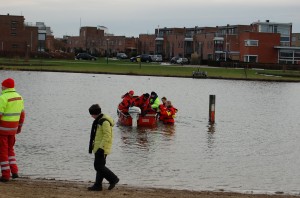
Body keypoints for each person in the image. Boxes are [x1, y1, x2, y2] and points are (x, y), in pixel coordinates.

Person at [88, 104, 119, 191]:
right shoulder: (99, 120)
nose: (91, 116)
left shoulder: (104, 122)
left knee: (98, 166)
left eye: (91, 114)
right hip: (98, 147)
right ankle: (98, 185)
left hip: (102, 148)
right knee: (100, 166)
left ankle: (113, 179)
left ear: (95, 114)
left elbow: (107, 136)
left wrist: (101, 148)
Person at [0, 78, 25, 182]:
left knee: (2, 152)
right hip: (13, 129)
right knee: (10, 150)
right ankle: (14, 172)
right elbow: (22, 114)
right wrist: (19, 127)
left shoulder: (3, 97)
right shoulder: (19, 97)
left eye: (2, 85)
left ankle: (5, 175)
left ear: (6, 86)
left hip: (2, 130)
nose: (1, 87)